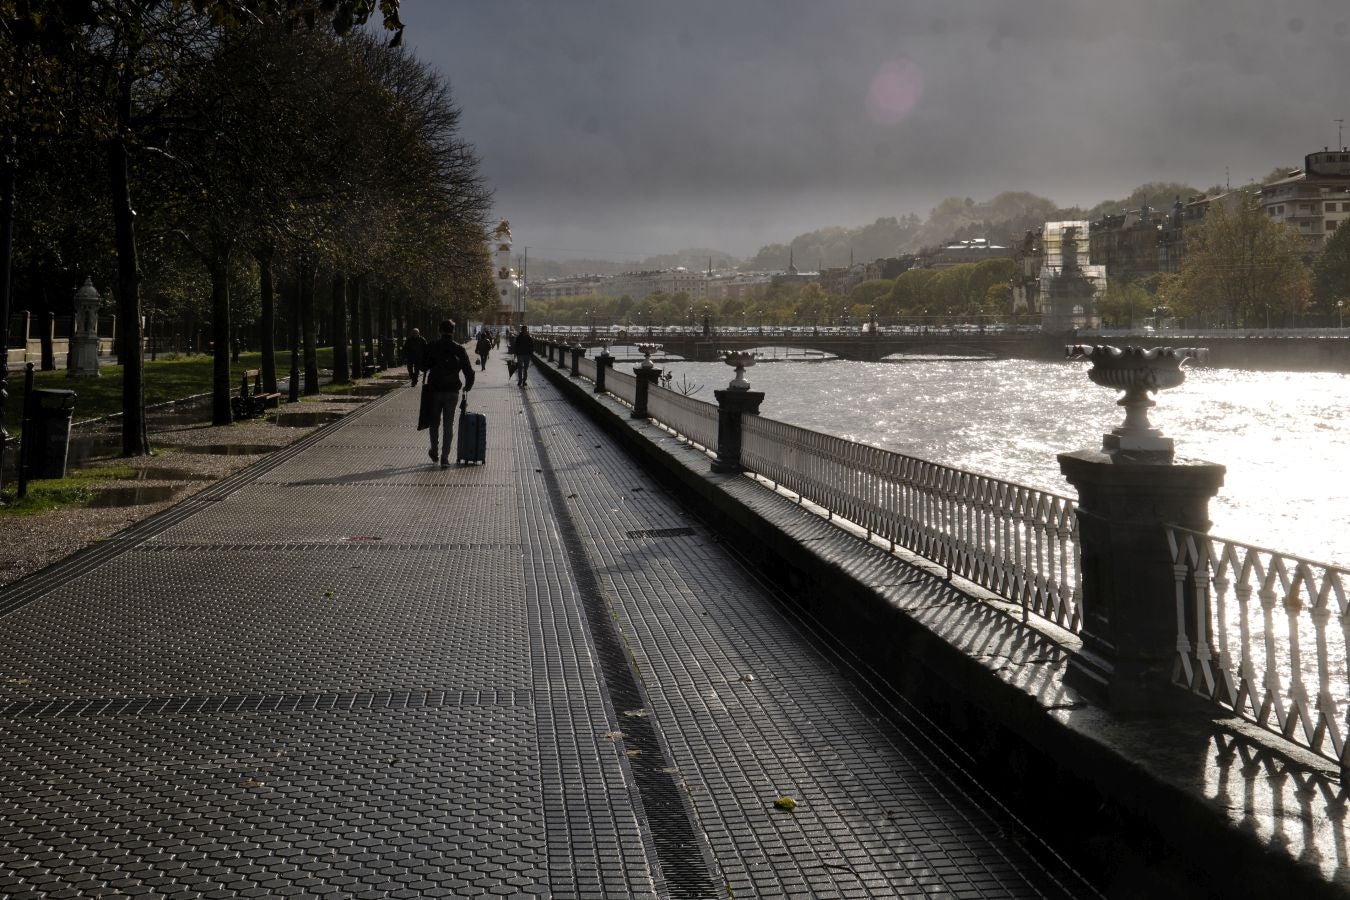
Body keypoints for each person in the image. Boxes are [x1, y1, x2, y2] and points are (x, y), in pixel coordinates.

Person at [423, 319, 476, 467]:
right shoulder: (459, 349)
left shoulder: (433, 346)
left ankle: (434, 450)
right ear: (453, 331)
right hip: (452, 391)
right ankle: (445, 457)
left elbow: (424, 366)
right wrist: (467, 387)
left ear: (440, 331)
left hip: (435, 390)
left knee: (434, 423)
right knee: (448, 424)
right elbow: (469, 372)